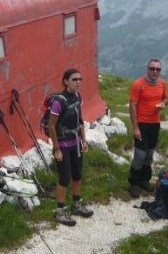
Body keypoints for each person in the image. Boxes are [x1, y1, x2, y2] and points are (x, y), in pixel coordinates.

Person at [49, 68, 94, 226]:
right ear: (66, 81)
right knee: (64, 178)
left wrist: (84, 141)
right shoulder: (58, 102)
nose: (78, 82)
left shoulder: (77, 97)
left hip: (76, 144)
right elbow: (51, 126)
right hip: (62, 145)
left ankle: (76, 204)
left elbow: (80, 120)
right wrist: (56, 149)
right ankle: (60, 211)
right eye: (74, 79)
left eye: (80, 79)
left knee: (77, 175)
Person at [128, 58, 168, 198]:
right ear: (147, 69)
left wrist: (163, 104)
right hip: (141, 123)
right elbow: (132, 105)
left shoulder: (162, 83)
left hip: (155, 123)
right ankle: (134, 183)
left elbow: (166, 98)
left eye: (158, 69)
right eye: (152, 68)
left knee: (149, 154)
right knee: (140, 154)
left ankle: (145, 180)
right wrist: (135, 127)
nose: (155, 71)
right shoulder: (138, 84)